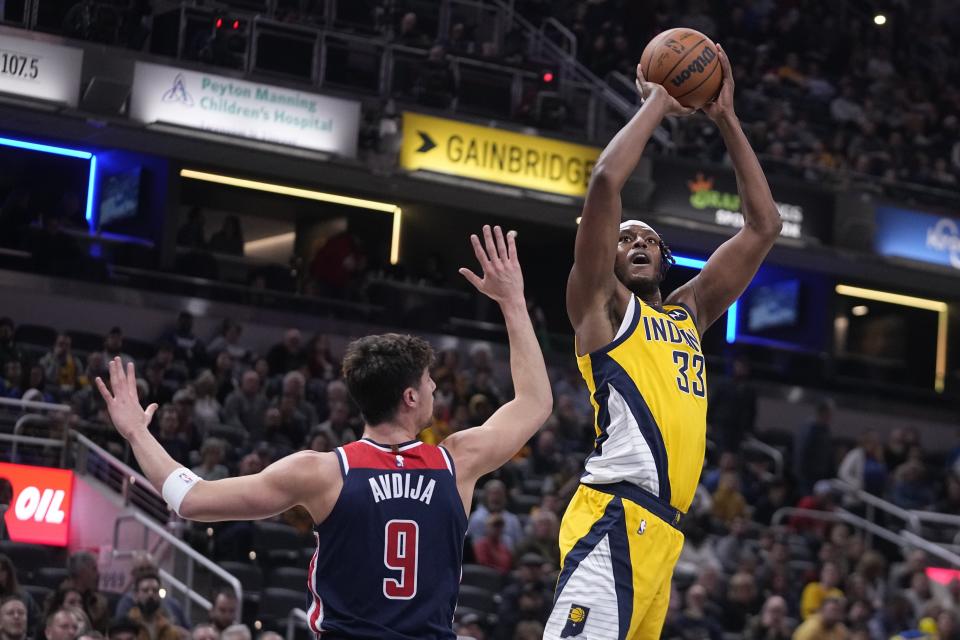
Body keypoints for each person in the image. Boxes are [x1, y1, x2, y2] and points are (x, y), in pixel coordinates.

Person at [96, 226, 552, 640]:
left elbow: (190, 499)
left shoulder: (323, 471)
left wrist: (137, 434)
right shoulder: (456, 462)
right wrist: (512, 301)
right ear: (410, 398)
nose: (435, 387)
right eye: (427, 381)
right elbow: (534, 402)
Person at [544, 46, 783, 638]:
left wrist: (726, 117)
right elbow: (605, 181)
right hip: (614, 515)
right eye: (627, 240)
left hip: (664, 534)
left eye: (651, 239)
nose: (641, 243)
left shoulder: (688, 314)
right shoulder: (598, 305)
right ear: (607, 254)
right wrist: (656, 100)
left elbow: (764, 227)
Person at [793, 399, 836, 495]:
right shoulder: (809, 429)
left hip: (821, 476)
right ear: (823, 413)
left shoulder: (826, 430)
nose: (831, 417)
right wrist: (800, 474)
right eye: (829, 413)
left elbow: (829, 453)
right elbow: (801, 452)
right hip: (807, 476)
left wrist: (831, 473)